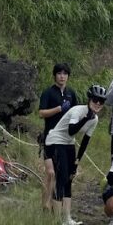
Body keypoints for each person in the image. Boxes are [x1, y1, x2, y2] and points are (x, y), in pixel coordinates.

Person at [45, 83, 106, 225]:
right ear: (89, 100)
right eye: (95, 100)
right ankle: (57, 221)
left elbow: (85, 141)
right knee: (61, 177)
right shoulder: (77, 111)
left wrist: (77, 162)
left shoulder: (95, 119)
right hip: (55, 140)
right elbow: (72, 130)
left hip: (68, 143)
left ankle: (67, 218)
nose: (97, 103)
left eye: (101, 101)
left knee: (69, 178)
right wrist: (86, 118)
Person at [38, 62, 78, 211]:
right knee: (50, 173)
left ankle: (57, 205)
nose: (62, 76)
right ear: (55, 75)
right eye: (59, 73)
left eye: (65, 74)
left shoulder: (71, 93)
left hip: (65, 140)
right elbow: (41, 113)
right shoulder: (48, 92)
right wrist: (58, 109)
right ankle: (45, 206)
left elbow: (77, 113)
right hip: (49, 138)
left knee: (63, 174)